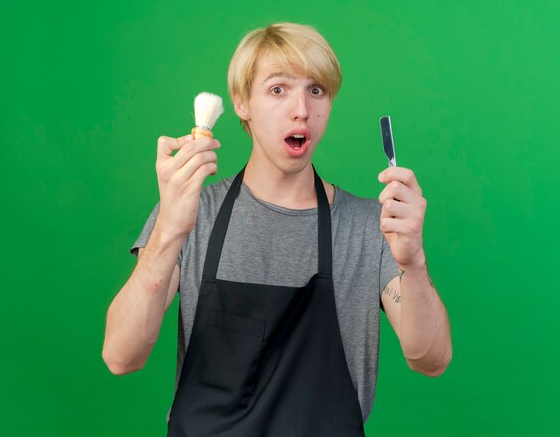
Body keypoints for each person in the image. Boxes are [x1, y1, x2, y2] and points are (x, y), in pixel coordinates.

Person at [102, 22, 452, 436]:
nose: (301, 109)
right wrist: (168, 234)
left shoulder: (369, 227)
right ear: (241, 103)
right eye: (278, 89)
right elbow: (121, 357)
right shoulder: (192, 212)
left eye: (316, 90)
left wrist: (413, 259)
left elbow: (430, 359)